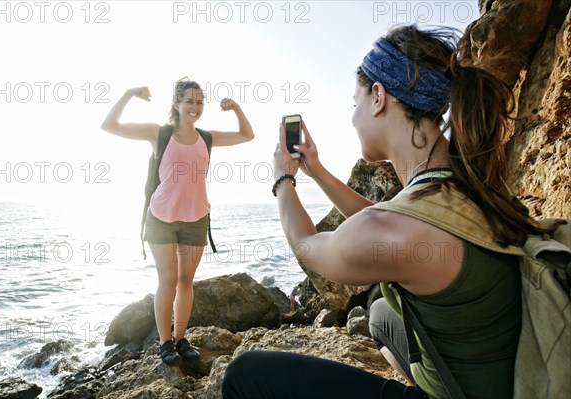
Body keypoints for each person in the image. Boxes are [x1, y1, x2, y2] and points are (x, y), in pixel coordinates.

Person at [222, 25, 545, 399]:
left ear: (378, 97)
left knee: (244, 374)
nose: (353, 116)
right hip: (510, 377)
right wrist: (317, 171)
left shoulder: (398, 230)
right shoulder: (467, 182)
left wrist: (282, 180)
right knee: (380, 316)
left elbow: (308, 248)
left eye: (354, 102)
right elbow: (386, 221)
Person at [102, 79, 254, 366]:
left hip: (196, 219)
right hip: (161, 219)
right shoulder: (159, 133)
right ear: (176, 104)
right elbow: (110, 125)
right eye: (189, 102)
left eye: (199, 102)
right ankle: (164, 344)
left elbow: (247, 134)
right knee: (168, 281)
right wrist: (128, 93)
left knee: (186, 281)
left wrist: (235, 107)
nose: (195, 107)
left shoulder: (207, 138)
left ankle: (181, 339)